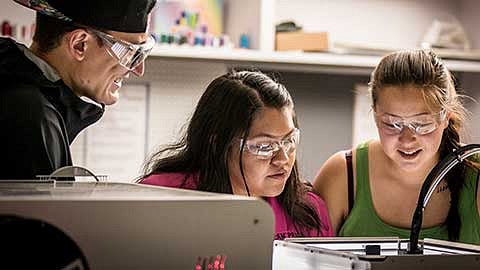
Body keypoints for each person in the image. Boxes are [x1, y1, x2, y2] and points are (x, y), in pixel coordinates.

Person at [139, 71, 334, 240]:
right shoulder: (160, 198)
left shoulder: (309, 211)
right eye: (265, 146)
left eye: (289, 141)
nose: (282, 159)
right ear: (217, 145)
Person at [313, 49, 479, 243]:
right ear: (375, 115)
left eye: (422, 124)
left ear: (446, 117)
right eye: (392, 124)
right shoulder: (343, 174)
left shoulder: (475, 173)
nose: (407, 139)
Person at [0, 0, 157, 180]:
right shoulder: (29, 115)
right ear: (79, 45)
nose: (138, 69)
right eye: (131, 52)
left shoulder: (18, 93)